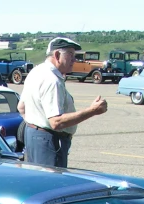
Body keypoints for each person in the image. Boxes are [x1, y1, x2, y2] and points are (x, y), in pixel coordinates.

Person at [17, 37, 108, 168]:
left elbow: (21, 107)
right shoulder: (52, 80)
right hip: (49, 141)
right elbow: (56, 122)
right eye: (70, 54)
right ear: (57, 55)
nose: (74, 59)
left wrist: (35, 127)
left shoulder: (37, 71)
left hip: (33, 137)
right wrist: (92, 111)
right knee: (52, 184)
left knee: (38, 182)